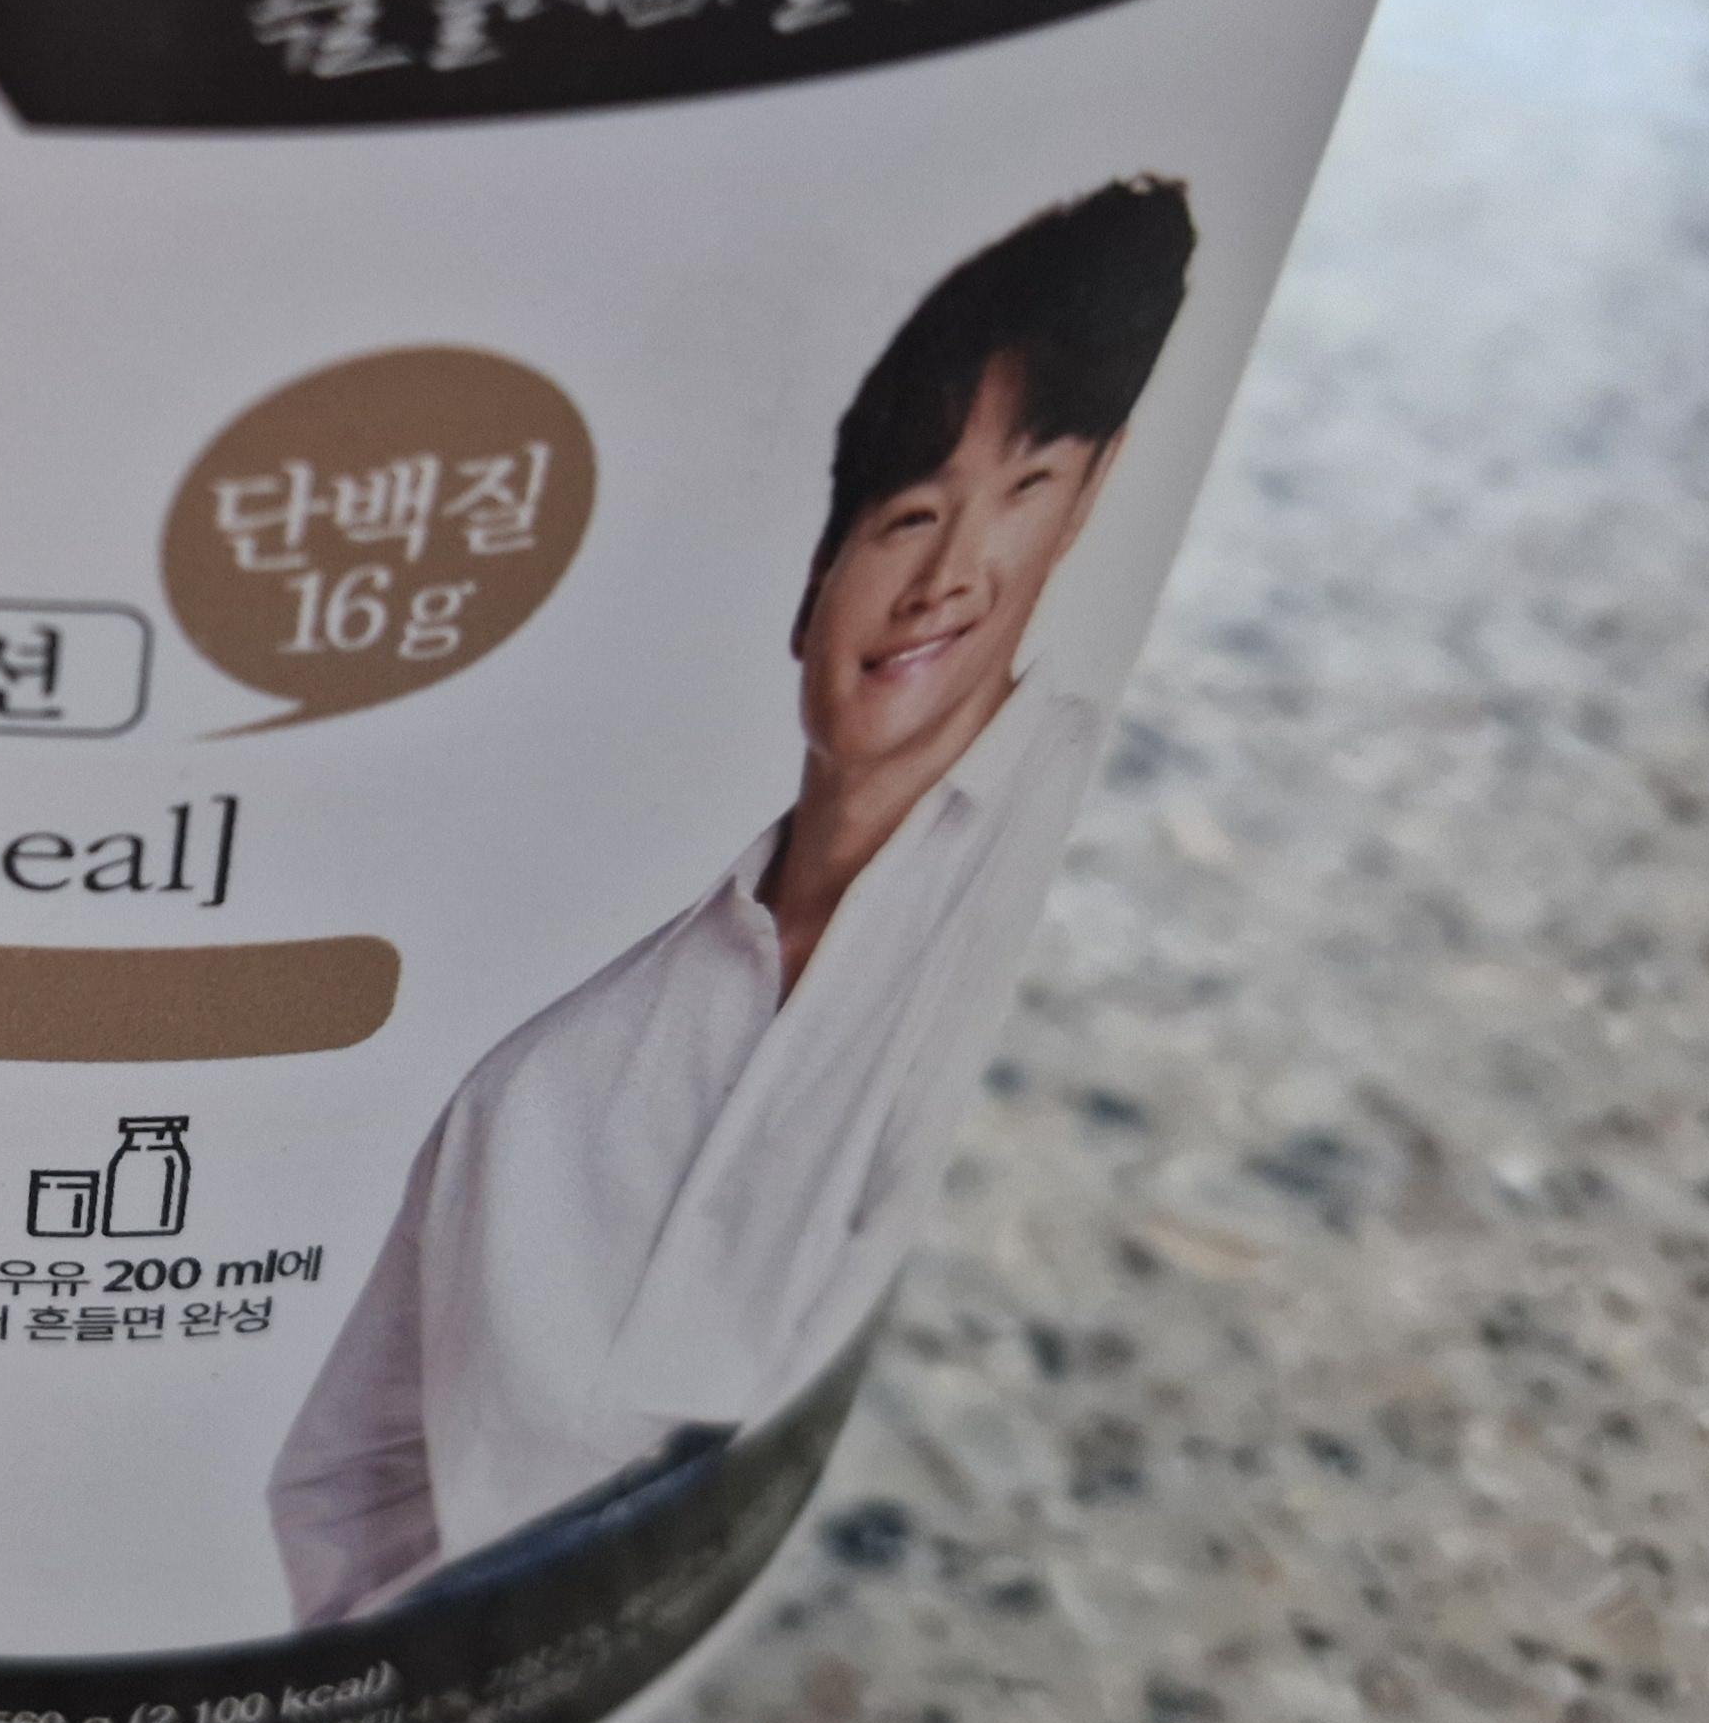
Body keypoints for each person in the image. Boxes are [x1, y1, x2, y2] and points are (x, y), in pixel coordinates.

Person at [270, 178, 1198, 1626]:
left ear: (1089, 502)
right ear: (812, 587)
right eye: (908, 517)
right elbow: (348, 1489)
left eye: (1026, 490)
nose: (949, 577)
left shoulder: (1067, 858)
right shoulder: (536, 1088)